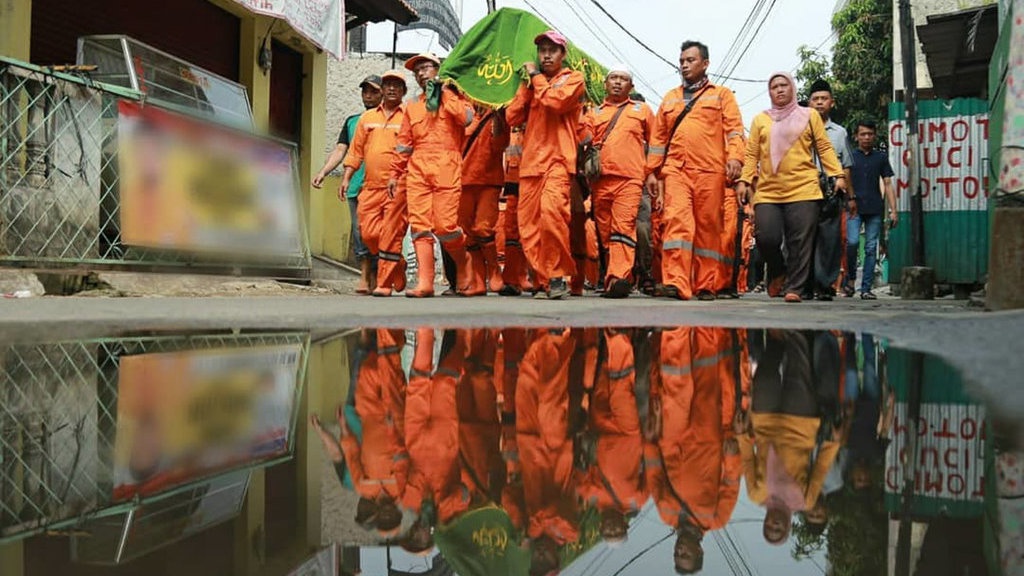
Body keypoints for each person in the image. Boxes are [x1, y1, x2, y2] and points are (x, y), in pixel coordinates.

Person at [646, 40, 746, 301]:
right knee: (676, 224)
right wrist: (651, 172)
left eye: (690, 60)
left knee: (707, 228)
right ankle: (676, 283)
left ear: (705, 63)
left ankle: (705, 284)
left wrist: (735, 157)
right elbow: (657, 140)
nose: (684, 65)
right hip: (676, 171)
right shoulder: (670, 98)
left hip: (710, 171)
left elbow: (735, 131)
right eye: (682, 61)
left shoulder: (722, 95)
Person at [736, 72, 848, 303]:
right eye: (774, 86)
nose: (779, 90)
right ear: (769, 91)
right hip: (768, 190)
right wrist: (744, 181)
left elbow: (825, 148)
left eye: (784, 85)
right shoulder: (760, 120)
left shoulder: (809, 116)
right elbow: (751, 154)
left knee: (800, 242)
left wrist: (837, 174)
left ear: (793, 89)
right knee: (766, 237)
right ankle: (778, 270)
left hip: (804, 188)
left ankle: (795, 288)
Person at [506, 30, 586, 300]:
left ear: (563, 55)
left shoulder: (573, 79)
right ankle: (542, 280)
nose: (546, 55)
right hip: (530, 165)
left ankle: (557, 276)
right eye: (542, 51)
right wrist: (524, 89)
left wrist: (536, 78)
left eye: (552, 50)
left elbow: (556, 102)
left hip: (558, 162)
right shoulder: (532, 83)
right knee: (529, 226)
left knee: (553, 218)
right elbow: (512, 116)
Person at [390, 53, 475, 298]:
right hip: (418, 168)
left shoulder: (456, 98)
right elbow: (404, 143)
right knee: (419, 227)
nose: (421, 73)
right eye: (417, 70)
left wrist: (445, 92)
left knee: (445, 226)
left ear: (438, 70)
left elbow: (466, 119)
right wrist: (395, 174)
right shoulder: (412, 107)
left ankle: (463, 262)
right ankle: (425, 282)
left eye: (427, 67)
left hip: (447, 165)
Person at [586, 65, 654, 298]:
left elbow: (655, 143)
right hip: (600, 181)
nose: (617, 82)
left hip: (630, 180)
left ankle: (618, 278)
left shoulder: (642, 110)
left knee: (622, 228)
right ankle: (613, 276)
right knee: (605, 233)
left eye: (623, 79)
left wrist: (653, 173)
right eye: (613, 78)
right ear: (605, 84)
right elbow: (583, 140)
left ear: (631, 86)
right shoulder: (593, 113)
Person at [341, 71, 410, 298]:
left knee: (390, 233)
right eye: (388, 85)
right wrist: (347, 177)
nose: (391, 89)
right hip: (370, 187)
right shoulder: (367, 118)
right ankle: (397, 262)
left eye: (396, 86)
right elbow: (356, 151)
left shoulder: (408, 116)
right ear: (383, 90)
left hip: (397, 187)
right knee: (369, 234)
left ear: (403, 91)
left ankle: (384, 282)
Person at [313, 75, 383, 294]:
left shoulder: (390, 119)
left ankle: (381, 274)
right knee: (360, 232)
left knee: (380, 232)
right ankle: (365, 276)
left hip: (382, 186)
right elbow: (341, 149)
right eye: (365, 92)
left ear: (382, 93)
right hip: (356, 186)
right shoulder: (353, 121)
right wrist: (324, 172)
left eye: (373, 91)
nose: (368, 96)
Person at [806, 79, 855, 301]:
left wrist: (849, 194)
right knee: (804, 241)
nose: (819, 103)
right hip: (804, 192)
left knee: (830, 241)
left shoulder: (840, 133)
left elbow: (845, 165)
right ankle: (804, 286)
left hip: (831, 193)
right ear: (809, 103)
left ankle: (825, 286)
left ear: (831, 103)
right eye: (815, 99)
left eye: (823, 99)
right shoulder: (799, 130)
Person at [460, 106, 511, 296]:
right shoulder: (462, 110)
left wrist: (499, 119)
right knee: (467, 233)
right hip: (462, 179)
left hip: (489, 180)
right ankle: (478, 281)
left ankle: (494, 270)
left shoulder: (497, 113)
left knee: (484, 228)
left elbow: (500, 145)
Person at [846, 120, 897, 300]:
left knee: (870, 248)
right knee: (852, 243)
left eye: (869, 134)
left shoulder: (881, 158)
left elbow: (888, 184)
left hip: (875, 208)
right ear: (856, 137)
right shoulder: (850, 157)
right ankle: (850, 279)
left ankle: (865, 288)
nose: (866, 137)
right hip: (854, 208)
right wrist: (850, 198)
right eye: (862, 134)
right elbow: (845, 179)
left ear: (874, 136)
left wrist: (893, 210)